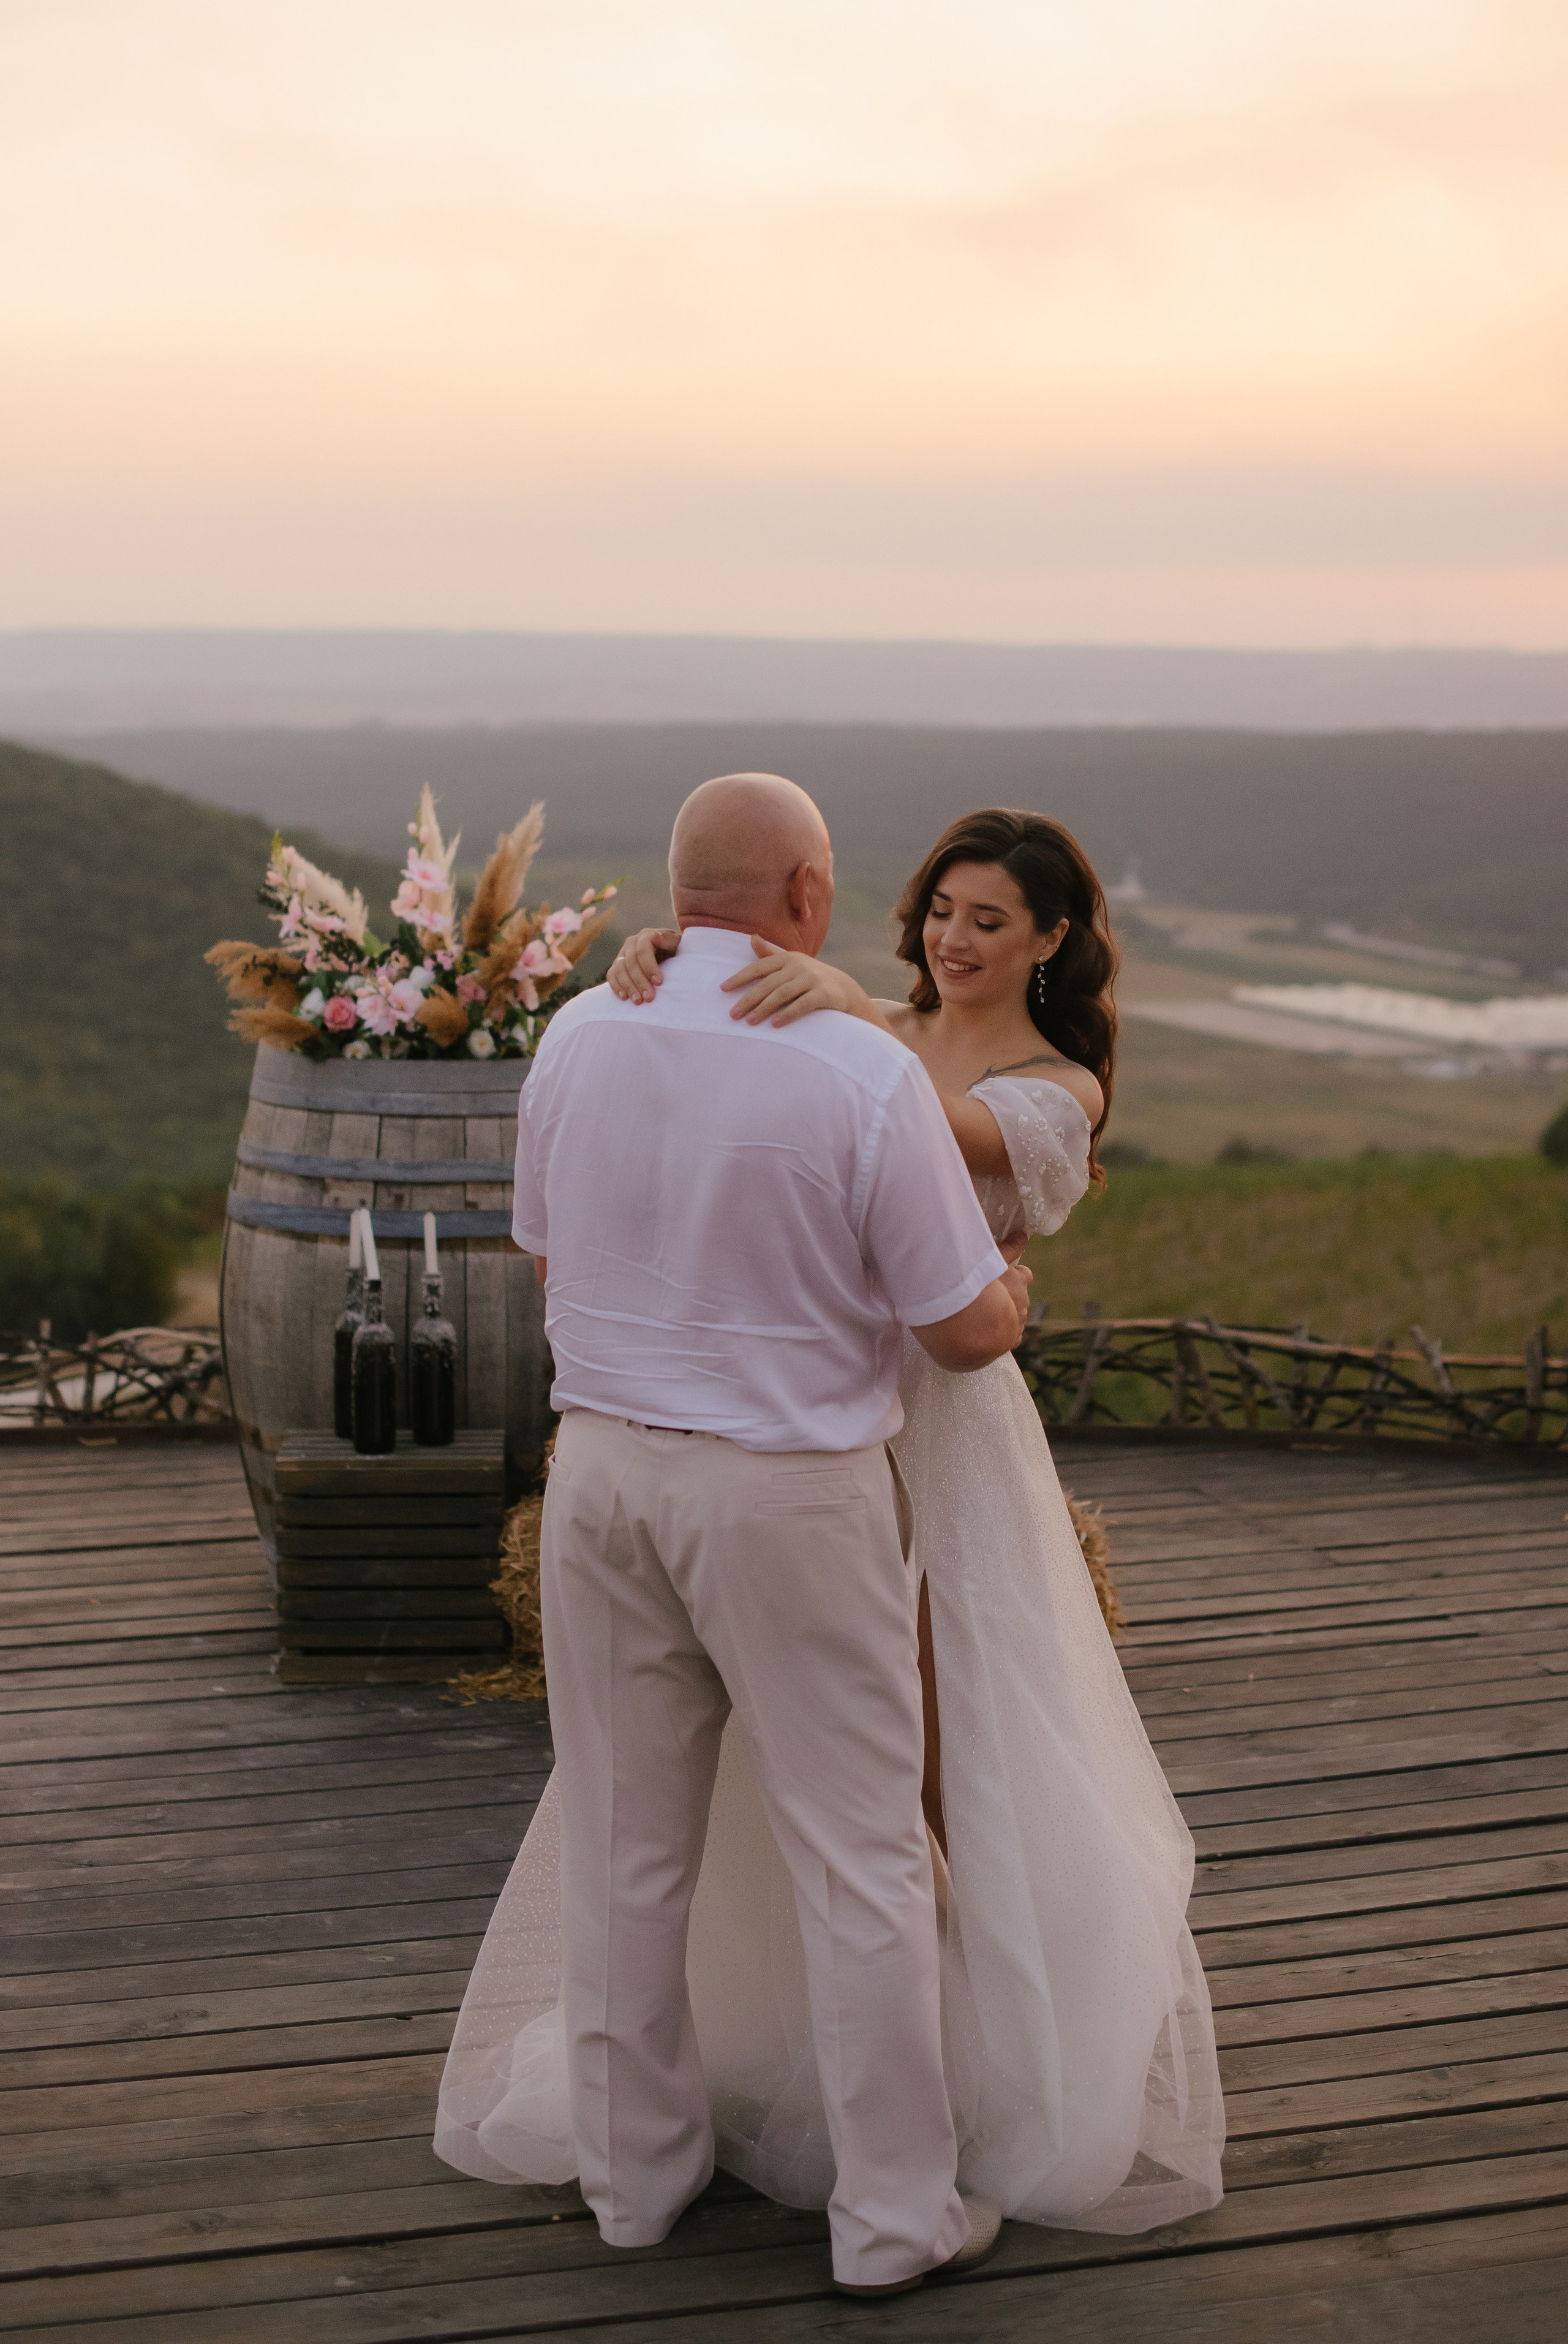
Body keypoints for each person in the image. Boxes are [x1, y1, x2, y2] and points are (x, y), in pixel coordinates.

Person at [590, 802, 1226, 2232]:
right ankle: (826, 2054)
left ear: (1051, 940)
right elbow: (742, 1066)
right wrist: (668, 954)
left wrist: (830, 1007)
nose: (951, 938)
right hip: (803, 1411)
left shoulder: (1055, 1082)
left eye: (988, 920)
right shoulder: (859, 1016)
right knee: (799, 1759)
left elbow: (926, 1128)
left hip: (938, 1425)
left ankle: (980, 2059)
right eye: (941, 908)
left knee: (936, 1759)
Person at [435, 773, 1030, 2297]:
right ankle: (893, 2215)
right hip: (785, 1492)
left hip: (600, 1476)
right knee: (863, 1856)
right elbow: (961, 1331)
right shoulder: (855, 1069)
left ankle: (632, 2179)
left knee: (626, 1843)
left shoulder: (580, 1030)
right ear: (811, 898)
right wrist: (1011, 1284)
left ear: (676, 899)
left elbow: (548, 1241)